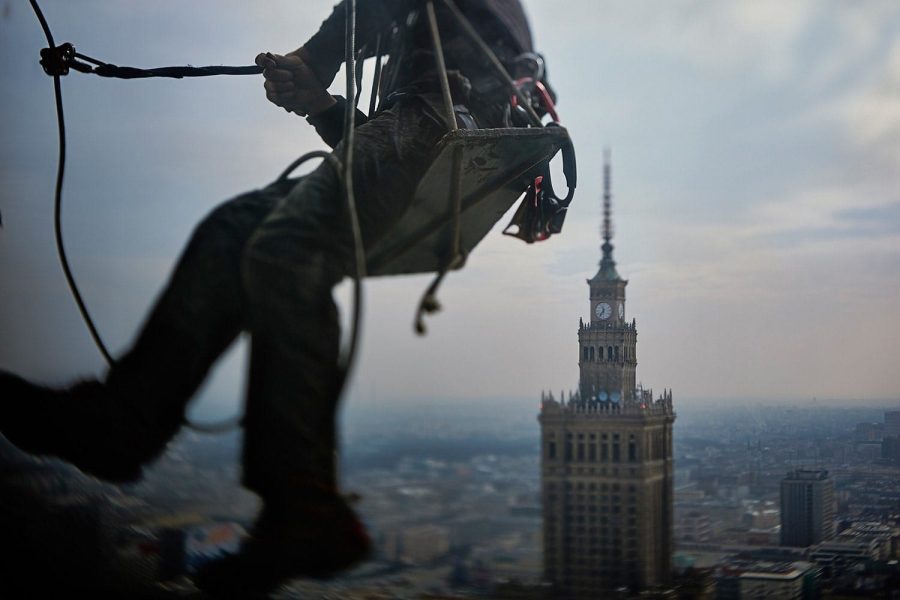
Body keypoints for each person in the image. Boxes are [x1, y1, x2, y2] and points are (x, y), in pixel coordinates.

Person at [1, 0, 553, 593]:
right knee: (231, 230)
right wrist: (321, 104)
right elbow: (385, 162)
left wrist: (316, 58)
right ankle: (124, 422)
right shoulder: (423, 51)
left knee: (285, 249)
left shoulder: (449, 42)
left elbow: (406, 132)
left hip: (448, 115)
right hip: (427, 124)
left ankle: (303, 507)